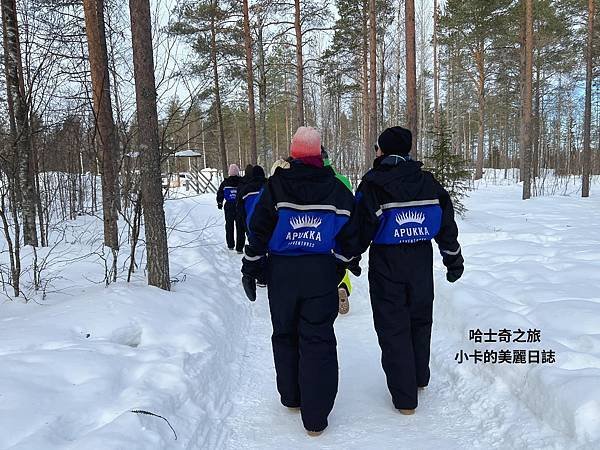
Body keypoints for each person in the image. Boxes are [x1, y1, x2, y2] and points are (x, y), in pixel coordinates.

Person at [241, 127, 359, 436]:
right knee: (317, 338)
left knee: (285, 333)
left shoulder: (276, 187)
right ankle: (315, 419)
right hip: (320, 270)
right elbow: (353, 233)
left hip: (282, 273)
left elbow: (258, 230)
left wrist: (251, 267)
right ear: (320, 153)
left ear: (293, 154)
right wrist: (341, 264)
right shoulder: (336, 189)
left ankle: (292, 397)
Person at [355, 126, 464, 415]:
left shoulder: (373, 184)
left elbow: (360, 227)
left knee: (393, 327)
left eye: (377, 148)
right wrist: (453, 259)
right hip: (419, 261)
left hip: (387, 262)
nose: (375, 152)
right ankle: (418, 377)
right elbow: (446, 226)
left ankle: (405, 399)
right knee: (419, 319)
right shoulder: (428, 183)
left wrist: (346, 257)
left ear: (383, 150)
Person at [321, 147, 355, 315]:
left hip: (321, 227)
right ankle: (342, 285)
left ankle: (323, 293)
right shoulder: (342, 179)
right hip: (341, 225)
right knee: (341, 258)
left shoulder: (318, 180)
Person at [216, 164, 245, 252]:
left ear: (229, 173)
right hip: (239, 206)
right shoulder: (242, 182)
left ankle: (230, 244)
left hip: (228, 206)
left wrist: (220, 202)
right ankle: (239, 247)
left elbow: (220, 193)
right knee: (240, 227)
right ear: (237, 172)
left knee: (229, 225)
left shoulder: (225, 183)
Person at [236, 164, 267, 235]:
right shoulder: (270, 186)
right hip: (267, 223)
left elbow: (240, 208)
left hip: (251, 222)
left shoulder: (245, 189)